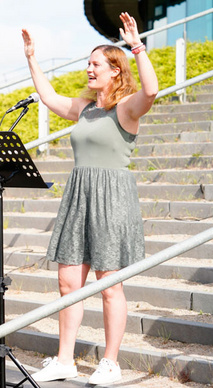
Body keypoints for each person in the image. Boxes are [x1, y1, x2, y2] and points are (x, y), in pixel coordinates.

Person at [21, 12, 158, 385]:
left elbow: (152, 91)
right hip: (79, 197)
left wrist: (137, 46)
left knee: (110, 284)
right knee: (68, 284)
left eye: (95, 64)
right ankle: (65, 359)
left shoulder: (126, 108)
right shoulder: (85, 109)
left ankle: (110, 362)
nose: (88, 69)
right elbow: (48, 97)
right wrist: (32, 57)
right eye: (87, 63)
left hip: (112, 198)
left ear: (115, 70)